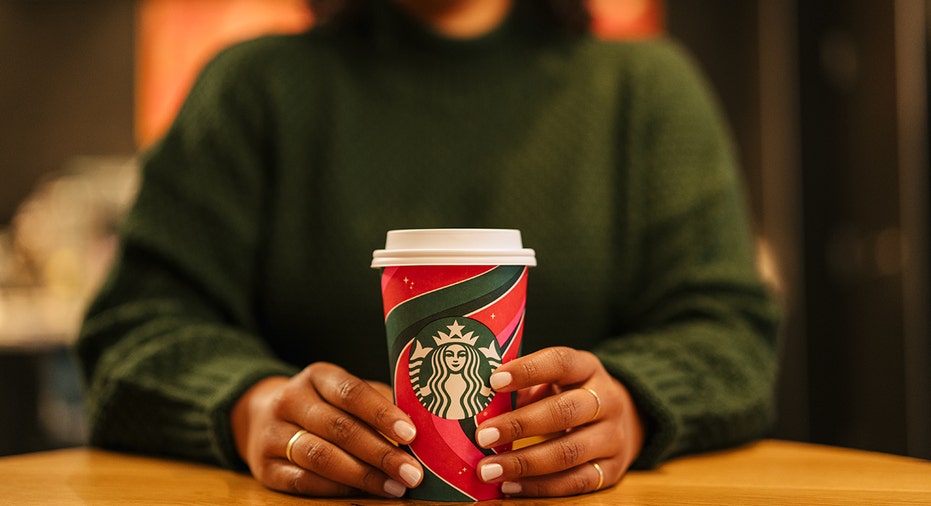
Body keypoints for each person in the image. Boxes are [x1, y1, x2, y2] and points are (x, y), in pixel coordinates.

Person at [75, 0, 780, 499]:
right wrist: (250, 407)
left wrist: (628, 406)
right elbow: (133, 331)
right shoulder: (253, 90)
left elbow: (730, 334)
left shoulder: (647, 93)